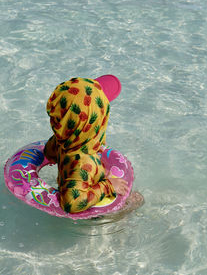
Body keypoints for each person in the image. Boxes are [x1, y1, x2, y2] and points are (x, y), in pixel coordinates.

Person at [44, 75, 142, 214]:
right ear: (97, 124)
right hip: (92, 211)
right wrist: (107, 186)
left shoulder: (62, 140)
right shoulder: (83, 162)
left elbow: (49, 153)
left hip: (79, 182)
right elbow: (71, 204)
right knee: (137, 200)